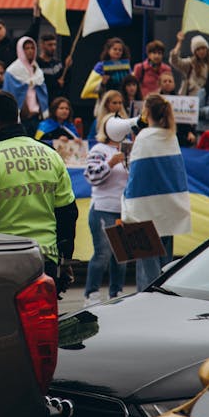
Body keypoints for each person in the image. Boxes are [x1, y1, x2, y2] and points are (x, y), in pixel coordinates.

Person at [0, 91, 78, 295]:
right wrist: (64, 260)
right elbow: (68, 213)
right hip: (46, 262)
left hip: (5, 263)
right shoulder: (51, 155)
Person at [122, 94, 192, 291]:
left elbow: (136, 176)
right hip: (170, 207)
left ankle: (149, 299)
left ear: (146, 112)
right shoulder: (172, 136)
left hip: (146, 209)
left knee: (148, 266)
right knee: (165, 264)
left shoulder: (144, 137)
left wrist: (127, 202)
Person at [82, 113, 128, 306]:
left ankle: (116, 293)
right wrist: (110, 164)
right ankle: (91, 295)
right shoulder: (98, 149)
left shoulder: (129, 149)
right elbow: (90, 175)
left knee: (121, 257)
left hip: (124, 211)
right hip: (103, 208)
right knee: (102, 254)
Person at [3, 36, 49, 137]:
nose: (30, 51)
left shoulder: (37, 70)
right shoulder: (13, 71)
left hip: (37, 117)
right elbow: (8, 93)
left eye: (32, 48)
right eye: (26, 48)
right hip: (20, 118)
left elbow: (43, 92)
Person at [158, 71, 197, 148]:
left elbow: (187, 119)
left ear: (174, 84)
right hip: (160, 134)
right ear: (160, 84)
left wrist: (190, 132)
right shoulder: (155, 100)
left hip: (179, 135)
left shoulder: (181, 100)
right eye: (165, 81)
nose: (167, 83)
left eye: (170, 81)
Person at [169, 31, 209, 96]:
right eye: (198, 49)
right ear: (194, 52)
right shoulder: (190, 63)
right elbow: (174, 61)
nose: (201, 51)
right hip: (192, 98)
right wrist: (179, 42)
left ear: (207, 49)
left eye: (203, 48)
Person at [37, 33, 72, 104]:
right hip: (43, 102)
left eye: (54, 44)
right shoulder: (37, 64)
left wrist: (67, 67)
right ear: (42, 45)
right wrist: (56, 83)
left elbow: (66, 82)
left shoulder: (58, 63)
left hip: (57, 102)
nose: (53, 47)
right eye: (50, 45)